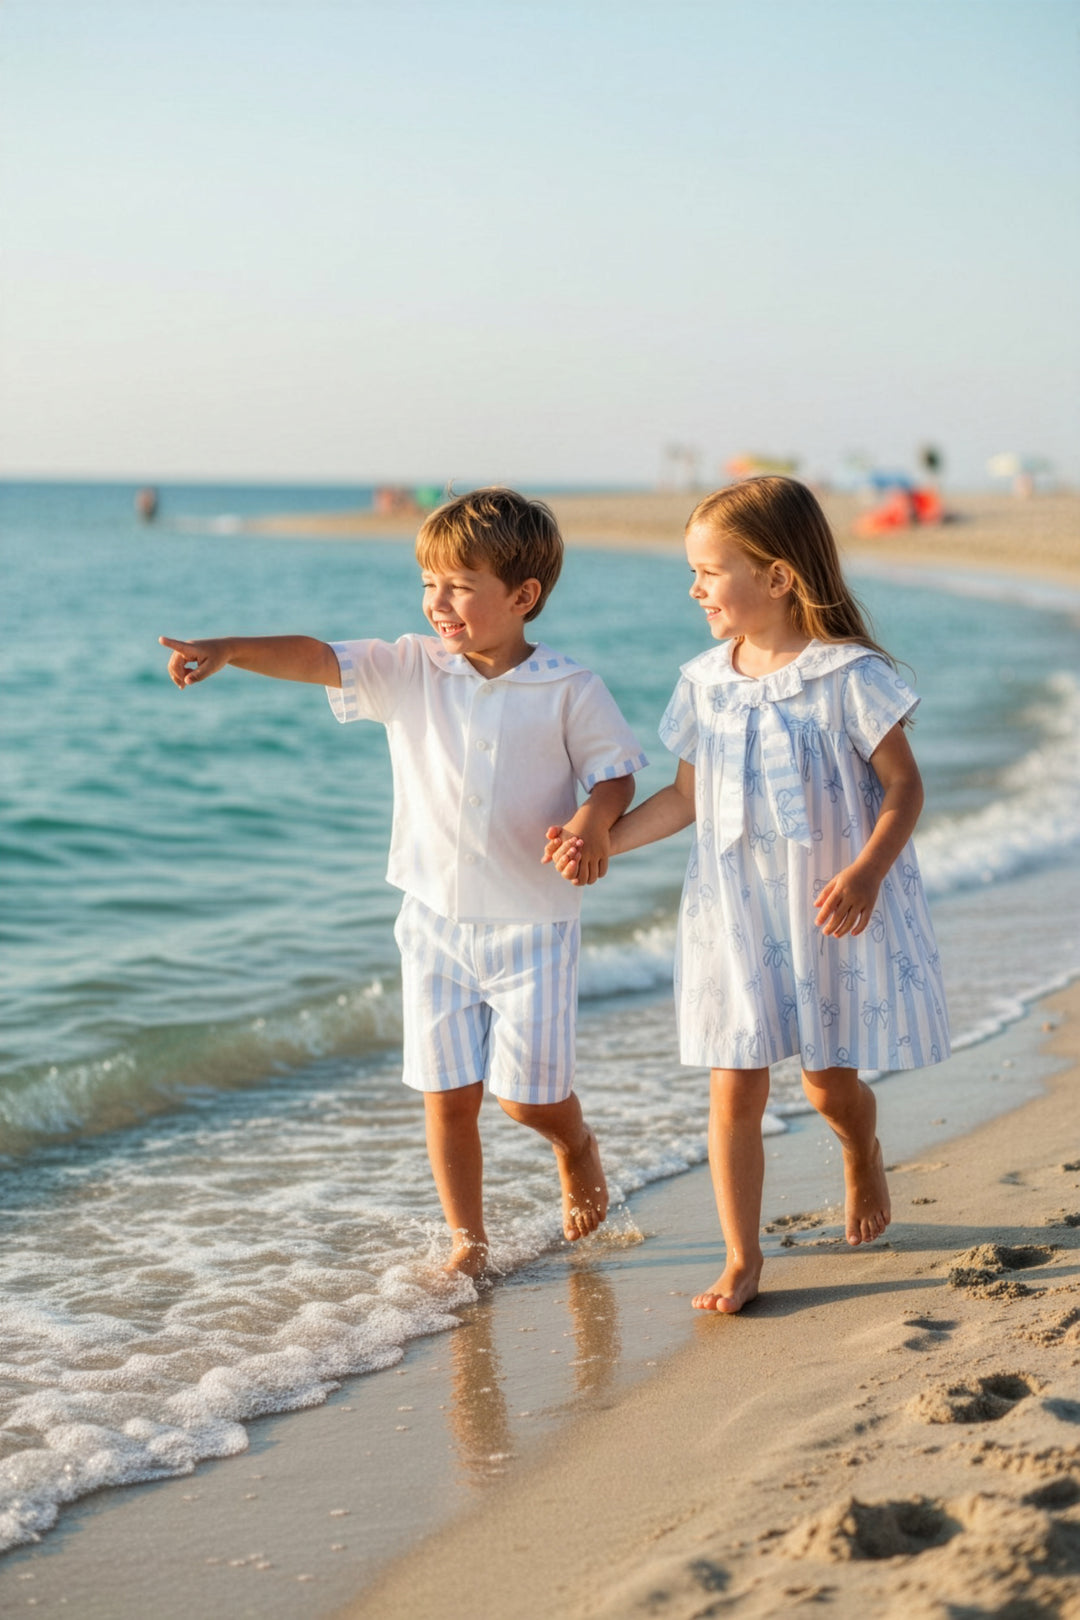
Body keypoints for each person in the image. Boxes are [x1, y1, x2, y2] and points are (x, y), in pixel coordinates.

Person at [160, 488, 646, 1278]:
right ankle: (469, 1242)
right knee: (447, 1094)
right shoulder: (411, 667)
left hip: (535, 925)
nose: (437, 603)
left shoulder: (570, 688)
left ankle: (575, 1142)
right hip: (432, 923)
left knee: (526, 1098)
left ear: (522, 597)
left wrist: (594, 823)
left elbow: (614, 776)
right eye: (428, 584)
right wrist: (228, 648)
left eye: (458, 585)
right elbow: (318, 656)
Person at [546, 477, 949, 1314]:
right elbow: (687, 799)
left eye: (708, 570)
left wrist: (868, 871)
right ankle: (741, 1257)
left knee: (829, 1085)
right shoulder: (703, 680)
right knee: (735, 1081)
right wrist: (602, 843)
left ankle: (860, 1149)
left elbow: (903, 790)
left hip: (826, 903)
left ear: (778, 577)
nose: (693, 589)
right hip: (733, 909)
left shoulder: (849, 676)